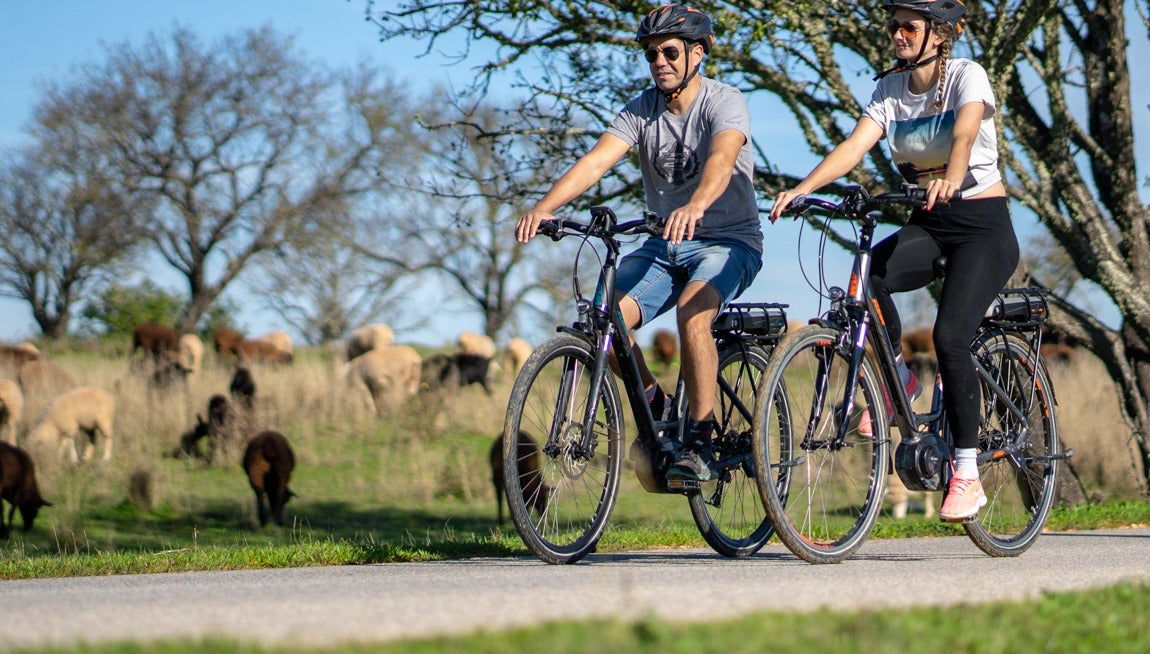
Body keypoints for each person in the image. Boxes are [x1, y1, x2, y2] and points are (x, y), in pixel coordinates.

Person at [768, 0, 1016, 522]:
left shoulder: (968, 76)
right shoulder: (888, 90)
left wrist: (952, 172)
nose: (897, 34)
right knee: (867, 276)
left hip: (981, 227)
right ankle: (899, 377)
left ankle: (966, 475)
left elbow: (966, 131)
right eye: (893, 26)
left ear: (941, 34)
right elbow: (854, 146)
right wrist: (803, 188)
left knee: (950, 339)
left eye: (909, 26)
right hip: (928, 222)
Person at [516, 4, 763, 485]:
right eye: (651, 55)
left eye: (669, 52)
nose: (660, 62)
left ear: (698, 53)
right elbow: (595, 162)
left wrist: (696, 205)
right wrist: (544, 207)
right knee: (603, 317)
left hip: (727, 242)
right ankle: (655, 401)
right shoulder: (641, 110)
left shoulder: (724, 101)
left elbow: (722, 156)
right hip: (664, 245)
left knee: (693, 312)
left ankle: (702, 437)